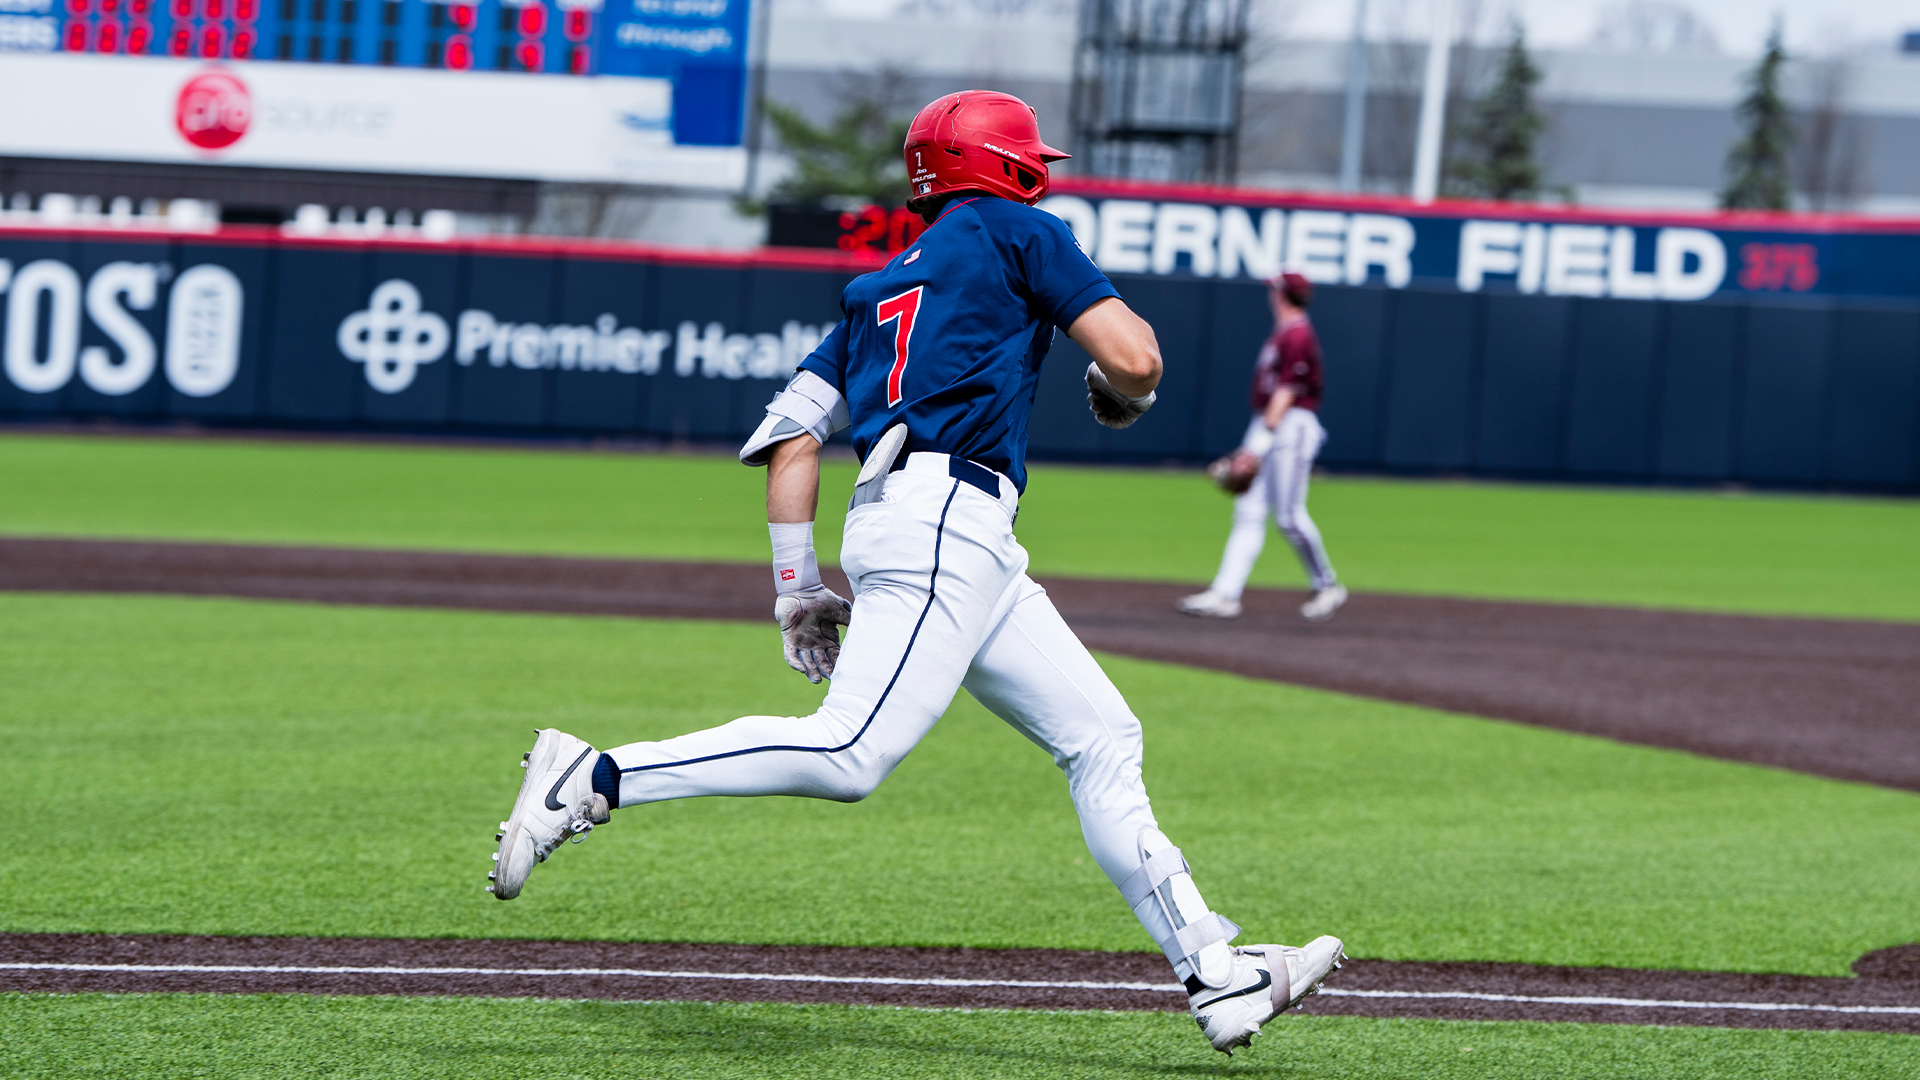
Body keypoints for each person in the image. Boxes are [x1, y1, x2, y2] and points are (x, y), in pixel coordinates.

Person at [486, 90, 1344, 1056]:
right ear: (1015, 168)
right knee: (850, 753)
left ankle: (1216, 976)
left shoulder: (873, 290)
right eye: (1034, 161)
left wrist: (795, 585)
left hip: (916, 525)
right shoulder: (1023, 231)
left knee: (1104, 737)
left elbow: (791, 443)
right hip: (948, 522)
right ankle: (596, 773)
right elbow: (1137, 358)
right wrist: (1121, 393)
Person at [1179, 273, 1346, 622]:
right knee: (1249, 512)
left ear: (1282, 295)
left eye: (1275, 289)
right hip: (1270, 423)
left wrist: (1255, 447)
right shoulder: (1287, 331)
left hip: (1289, 425)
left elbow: (1287, 393)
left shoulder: (1298, 333)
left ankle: (1327, 584)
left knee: (1289, 516)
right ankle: (1225, 594)